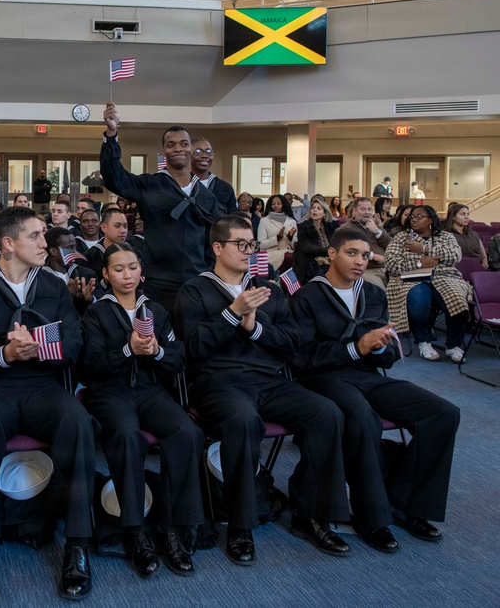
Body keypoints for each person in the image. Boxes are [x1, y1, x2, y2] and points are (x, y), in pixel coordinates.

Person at [175, 215, 351, 565]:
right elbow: (192, 348)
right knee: (242, 420)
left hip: (269, 381)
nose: (248, 250)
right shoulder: (194, 289)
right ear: (217, 247)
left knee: (326, 413)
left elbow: (293, 343)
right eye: (240, 244)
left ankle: (310, 514)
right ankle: (241, 524)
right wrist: (232, 314)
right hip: (217, 382)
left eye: (252, 244)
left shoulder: (267, 290)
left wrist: (255, 329)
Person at [0, 207, 96, 603]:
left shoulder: (52, 286)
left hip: (40, 385)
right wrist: (7, 354)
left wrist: (39, 350)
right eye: (34, 236)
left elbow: (75, 345)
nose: (44, 243)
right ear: (9, 244)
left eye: (43, 235)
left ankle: (78, 544)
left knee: (78, 423)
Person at [290, 227, 460, 550]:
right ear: (332, 254)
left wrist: (382, 348)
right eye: (351, 253)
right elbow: (301, 357)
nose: (359, 261)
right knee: (362, 417)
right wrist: (356, 347)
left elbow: (391, 350)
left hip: (369, 376)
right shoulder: (306, 297)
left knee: (443, 413)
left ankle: (404, 502)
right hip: (324, 378)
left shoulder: (374, 294)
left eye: (365, 255)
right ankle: (372, 516)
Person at [81, 243, 204, 578]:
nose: (127, 275)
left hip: (150, 391)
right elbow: (89, 368)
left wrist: (158, 351)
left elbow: (178, 361)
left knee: (187, 433)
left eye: (132, 267)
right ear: (105, 274)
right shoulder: (96, 313)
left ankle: (172, 527)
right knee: (126, 437)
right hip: (110, 393)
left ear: (142, 272)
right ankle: (135, 531)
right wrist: (126, 349)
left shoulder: (157, 312)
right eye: (118, 269)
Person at [100, 103, 221, 311]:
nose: (178, 149)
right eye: (171, 145)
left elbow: (214, 240)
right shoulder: (150, 185)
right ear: (164, 150)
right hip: (159, 279)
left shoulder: (207, 196)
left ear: (191, 149)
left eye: (183, 144)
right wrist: (112, 133)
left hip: (197, 278)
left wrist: (210, 272)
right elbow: (114, 178)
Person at [384, 205, 470, 362]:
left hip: (444, 277)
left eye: (419, 216)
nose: (414, 219)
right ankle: (424, 341)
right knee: (419, 300)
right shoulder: (401, 238)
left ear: (431, 219)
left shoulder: (445, 236)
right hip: (412, 278)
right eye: (412, 217)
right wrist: (420, 263)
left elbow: (454, 256)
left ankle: (453, 345)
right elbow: (391, 262)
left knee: (458, 301)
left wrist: (424, 249)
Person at [44, 227, 97, 316]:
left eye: (75, 247)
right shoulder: (41, 278)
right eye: (69, 248)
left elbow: (102, 309)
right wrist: (68, 296)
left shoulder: (86, 274)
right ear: (53, 251)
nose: (74, 252)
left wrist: (91, 299)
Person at [342, 197, 390, 290]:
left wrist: (377, 231)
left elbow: (391, 245)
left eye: (369, 209)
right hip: (367, 270)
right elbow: (348, 248)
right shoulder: (346, 228)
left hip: (387, 269)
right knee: (381, 293)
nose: (367, 212)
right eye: (363, 209)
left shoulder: (373, 225)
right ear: (354, 211)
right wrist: (372, 256)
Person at [292, 198, 337, 283]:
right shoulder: (303, 227)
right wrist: (329, 251)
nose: (314, 210)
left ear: (324, 213)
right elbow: (307, 248)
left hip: (328, 260)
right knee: (325, 275)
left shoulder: (329, 227)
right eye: (313, 208)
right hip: (308, 262)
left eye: (318, 208)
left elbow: (334, 243)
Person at [191, 138, 237, 214]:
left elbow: (232, 220)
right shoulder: (181, 184)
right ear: (188, 154)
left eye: (209, 152)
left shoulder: (225, 188)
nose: (205, 156)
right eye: (198, 152)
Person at [84, 207, 130, 279]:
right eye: (117, 226)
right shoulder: (89, 257)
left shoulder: (134, 252)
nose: (123, 230)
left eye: (125, 226)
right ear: (104, 227)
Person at [257, 194, 297, 270]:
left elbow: (295, 244)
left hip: (289, 252)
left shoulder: (292, 221)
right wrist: (278, 237)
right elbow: (261, 245)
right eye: (273, 204)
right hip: (272, 254)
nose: (276, 206)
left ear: (284, 205)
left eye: (279, 203)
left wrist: (290, 237)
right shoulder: (264, 221)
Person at [444, 204, 488, 268]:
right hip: (456, 269)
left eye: (468, 214)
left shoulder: (474, 234)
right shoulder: (445, 235)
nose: (467, 217)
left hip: (477, 268)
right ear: (453, 216)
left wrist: (485, 265)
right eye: (463, 214)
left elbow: (484, 256)